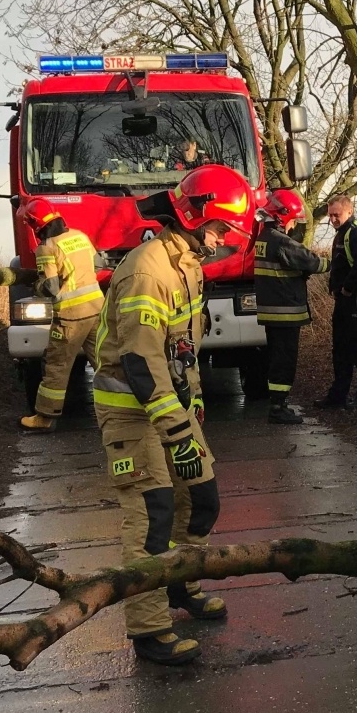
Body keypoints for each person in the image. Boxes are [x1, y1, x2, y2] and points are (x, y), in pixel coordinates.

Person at [92, 164, 246, 665]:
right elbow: (140, 363)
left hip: (171, 407)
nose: (224, 239)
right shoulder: (147, 270)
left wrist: (195, 399)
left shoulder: (188, 265)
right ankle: (149, 631)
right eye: (221, 228)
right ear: (193, 216)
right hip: (131, 414)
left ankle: (178, 586)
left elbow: (183, 346)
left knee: (201, 500)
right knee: (153, 516)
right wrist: (176, 427)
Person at [18, 201, 104, 432]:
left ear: (36, 225)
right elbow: (99, 265)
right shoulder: (80, 236)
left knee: (57, 366)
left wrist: (36, 285)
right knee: (107, 362)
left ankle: (44, 417)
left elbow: (51, 287)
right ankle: (129, 412)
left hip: (70, 317)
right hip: (97, 308)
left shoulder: (46, 248)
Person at [253, 189, 328, 425]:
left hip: (272, 311)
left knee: (275, 358)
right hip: (285, 312)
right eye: (294, 220)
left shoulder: (264, 239)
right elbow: (311, 261)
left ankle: (277, 403)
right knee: (284, 360)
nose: (294, 225)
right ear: (283, 216)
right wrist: (335, 262)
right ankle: (278, 408)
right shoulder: (281, 241)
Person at [318, 194, 357, 409]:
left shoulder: (356, 233)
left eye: (336, 214)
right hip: (344, 301)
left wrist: (347, 288)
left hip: (356, 300)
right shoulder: (342, 233)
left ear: (349, 211)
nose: (333, 219)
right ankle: (338, 395)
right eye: (330, 215)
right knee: (341, 348)